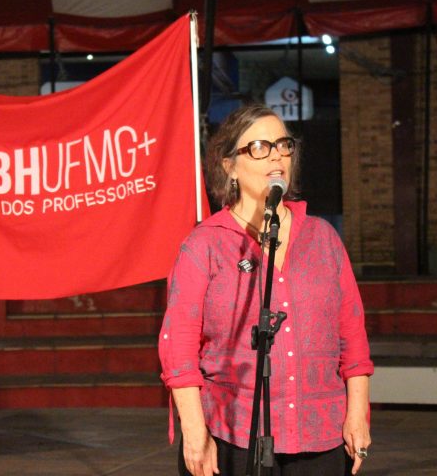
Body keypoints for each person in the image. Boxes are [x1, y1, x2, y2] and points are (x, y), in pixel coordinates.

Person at [158, 104, 373, 476]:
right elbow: (178, 347)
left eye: (283, 145)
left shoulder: (322, 238)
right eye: (260, 146)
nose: (277, 155)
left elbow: (352, 338)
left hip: (320, 436)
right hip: (234, 435)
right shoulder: (204, 245)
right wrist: (195, 432)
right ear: (229, 165)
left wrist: (357, 414)